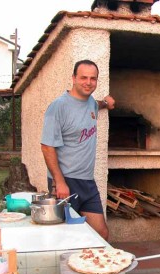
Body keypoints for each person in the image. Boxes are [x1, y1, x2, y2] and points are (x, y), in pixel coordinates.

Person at [41, 59, 115, 240]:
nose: (88, 82)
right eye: (83, 78)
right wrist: (59, 182)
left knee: (101, 233)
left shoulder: (91, 103)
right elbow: (47, 146)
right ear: (73, 78)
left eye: (93, 78)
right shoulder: (58, 107)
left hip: (87, 182)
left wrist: (106, 102)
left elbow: (96, 104)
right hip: (66, 181)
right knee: (66, 236)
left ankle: (92, 268)